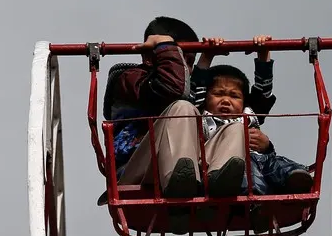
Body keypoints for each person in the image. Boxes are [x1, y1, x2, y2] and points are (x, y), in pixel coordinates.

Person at [104, 17, 248, 205]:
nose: (187, 69)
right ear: (151, 57)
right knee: (182, 108)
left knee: (235, 127)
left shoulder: (181, 92)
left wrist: (207, 58)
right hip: (137, 170)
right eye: (183, 60)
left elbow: (189, 91)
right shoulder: (129, 79)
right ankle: (179, 181)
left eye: (190, 62)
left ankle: (218, 182)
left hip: (185, 168)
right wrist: (165, 46)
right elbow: (173, 90)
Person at [190, 36, 314, 195]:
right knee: (248, 172)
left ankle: (294, 178)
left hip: (261, 159)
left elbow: (263, 90)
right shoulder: (201, 114)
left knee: (277, 163)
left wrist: (263, 54)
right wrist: (207, 56)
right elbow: (196, 86)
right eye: (218, 94)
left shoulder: (249, 113)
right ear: (206, 98)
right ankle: (255, 199)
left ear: (244, 103)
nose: (226, 100)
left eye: (234, 96)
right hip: (226, 165)